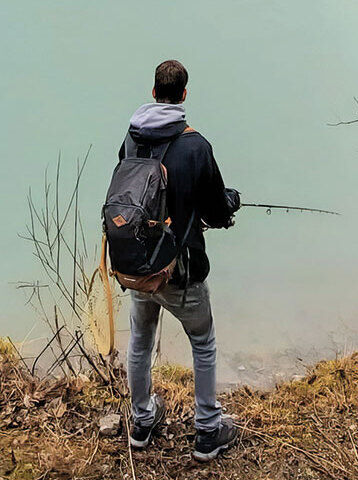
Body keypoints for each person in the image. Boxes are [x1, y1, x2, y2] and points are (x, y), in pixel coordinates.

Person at [122, 59, 240, 461]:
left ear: (153, 92)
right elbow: (217, 211)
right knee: (202, 343)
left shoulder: (132, 139)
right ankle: (208, 430)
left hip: (139, 266)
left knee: (140, 340)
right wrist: (230, 205)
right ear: (184, 95)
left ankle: (141, 422)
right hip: (181, 270)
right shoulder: (196, 146)